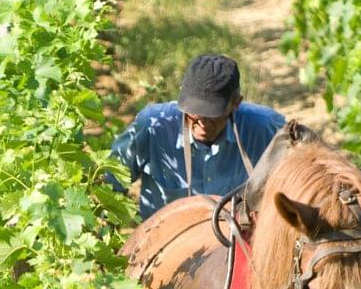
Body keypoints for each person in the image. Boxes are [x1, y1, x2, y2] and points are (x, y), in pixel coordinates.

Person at [110, 53, 286, 221]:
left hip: (238, 240)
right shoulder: (153, 126)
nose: (201, 122)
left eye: (212, 115)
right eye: (195, 112)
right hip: (168, 242)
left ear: (236, 103)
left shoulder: (265, 129)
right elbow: (110, 184)